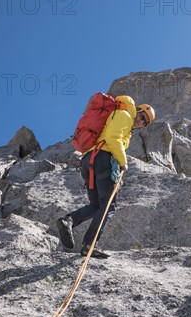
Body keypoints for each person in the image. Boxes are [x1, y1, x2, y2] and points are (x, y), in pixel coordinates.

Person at [57, 96, 155, 258]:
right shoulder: (124, 115)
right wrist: (123, 163)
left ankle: (69, 221)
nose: (142, 122)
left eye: (146, 123)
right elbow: (112, 138)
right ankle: (89, 245)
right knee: (109, 206)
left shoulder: (124, 120)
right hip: (103, 160)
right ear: (137, 110)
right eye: (143, 117)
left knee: (97, 205)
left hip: (90, 162)